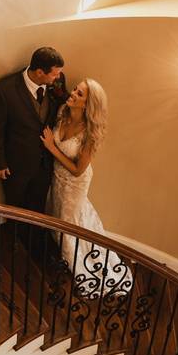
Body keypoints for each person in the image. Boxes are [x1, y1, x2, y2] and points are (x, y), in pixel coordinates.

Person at [40, 78, 131, 298]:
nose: (72, 94)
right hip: (57, 177)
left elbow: (78, 170)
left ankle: (79, 266)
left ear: (88, 104)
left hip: (74, 182)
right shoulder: (63, 111)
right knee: (59, 214)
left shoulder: (89, 134)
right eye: (75, 90)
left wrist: (52, 147)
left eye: (79, 94)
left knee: (69, 222)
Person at [0, 47, 67, 212]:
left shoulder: (57, 82)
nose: (58, 77)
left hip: (44, 163)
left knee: (38, 206)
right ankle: (15, 237)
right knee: (15, 207)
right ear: (39, 72)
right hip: (16, 164)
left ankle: (33, 237)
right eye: (54, 74)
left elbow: (61, 103)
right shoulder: (4, 90)